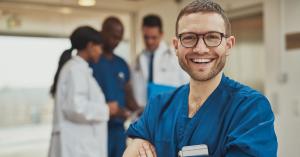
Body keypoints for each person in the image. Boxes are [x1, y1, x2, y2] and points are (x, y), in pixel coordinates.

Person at [123, 0, 278, 156]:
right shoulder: (159, 105)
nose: (200, 49)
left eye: (212, 37)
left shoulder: (250, 109)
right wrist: (138, 142)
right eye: (189, 37)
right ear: (176, 46)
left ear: (229, 45)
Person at [48, 26, 116, 157]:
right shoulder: (75, 70)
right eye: (99, 47)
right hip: (76, 147)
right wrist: (106, 109)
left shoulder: (79, 69)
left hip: (78, 145)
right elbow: (75, 107)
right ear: (90, 46)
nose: (101, 52)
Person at [90, 17, 140, 157]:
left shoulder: (122, 64)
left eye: (119, 38)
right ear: (102, 32)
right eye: (113, 37)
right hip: (96, 128)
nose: (116, 41)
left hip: (118, 130)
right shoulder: (91, 62)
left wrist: (141, 111)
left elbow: (128, 96)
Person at [132, 14, 188, 107]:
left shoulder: (175, 57)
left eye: (154, 37)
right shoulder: (137, 61)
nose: (150, 41)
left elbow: (187, 87)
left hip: (170, 111)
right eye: (146, 37)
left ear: (161, 34)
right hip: (144, 113)